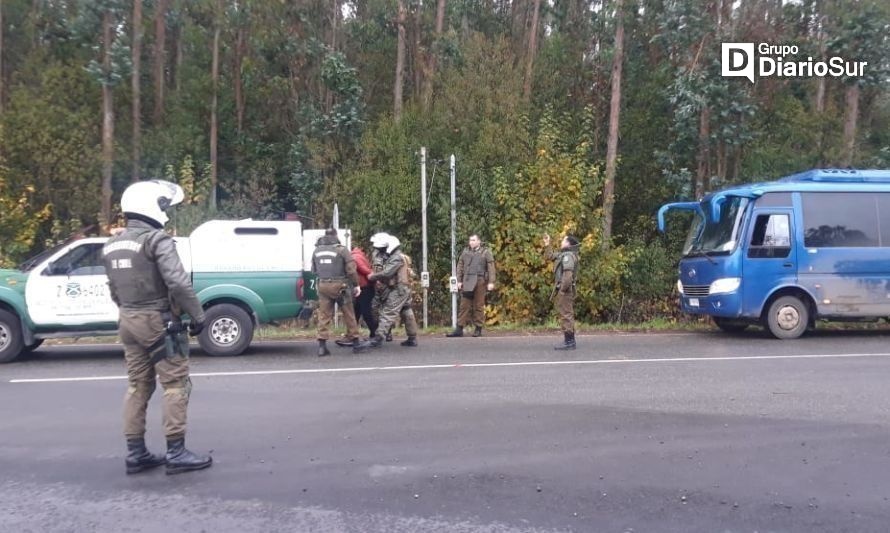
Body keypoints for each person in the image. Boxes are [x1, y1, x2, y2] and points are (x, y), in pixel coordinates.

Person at [102, 179, 212, 475]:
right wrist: (198, 316)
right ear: (151, 206)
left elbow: (113, 288)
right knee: (176, 384)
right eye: (164, 205)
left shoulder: (112, 244)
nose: (166, 211)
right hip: (159, 322)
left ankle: (136, 453)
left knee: (138, 385)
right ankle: (176, 452)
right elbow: (177, 282)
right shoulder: (156, 240)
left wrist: (130, 311)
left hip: (127, 320)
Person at [354, 234, 419, 352]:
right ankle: (412, 338)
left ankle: (378, 337)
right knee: (406, 311)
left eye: (382, 248)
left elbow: (387, 273)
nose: (379, 250)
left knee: (388, 312)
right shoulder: (391, 256)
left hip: (399, 289)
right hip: (398, 288)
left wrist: (372, 276)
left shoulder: (397, 258)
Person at [311, 228, 362, 355]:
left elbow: (314, 270)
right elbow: (351, 270)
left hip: (322, 285)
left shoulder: (316, 250)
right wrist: (356, 284)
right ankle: (356, 343)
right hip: (340, 286)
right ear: (335, 235)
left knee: (323, 315)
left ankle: (322, 347)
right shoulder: (342, 250)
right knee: (349, 313)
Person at [446, 234, 496, 338]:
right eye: (470, 240)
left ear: (479, 241)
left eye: (473, 240)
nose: (471, 242)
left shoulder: (486, 252)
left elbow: (491, 268)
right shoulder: (465, 252)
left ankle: (478, 328)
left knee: (479, 305)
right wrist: (459, 280)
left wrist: (491, 282)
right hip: (467, 281)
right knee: (464, 306)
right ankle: (459, 329)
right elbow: (460, 266)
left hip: (480, 281)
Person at [543, 233, 580, 350]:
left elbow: (568, 276)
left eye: (564, 240)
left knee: (566, 315)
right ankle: (569, 340)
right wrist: (547, 244)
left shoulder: (568, 256)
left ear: (568, 243)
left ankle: (569, 342)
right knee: (565, 314)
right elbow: (550, 256)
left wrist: (562, 290)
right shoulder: (564, 254)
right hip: (564, 289)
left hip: (566, 290)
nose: (562, 241)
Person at [351, 242, 378, 339]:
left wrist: (373, 276)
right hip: (365, 287)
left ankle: (375, 331)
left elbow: (363, 269)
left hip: (364, 287)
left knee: (365, 311)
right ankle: (352, 334)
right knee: (356, 311)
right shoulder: (360, 255)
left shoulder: (354, 257)